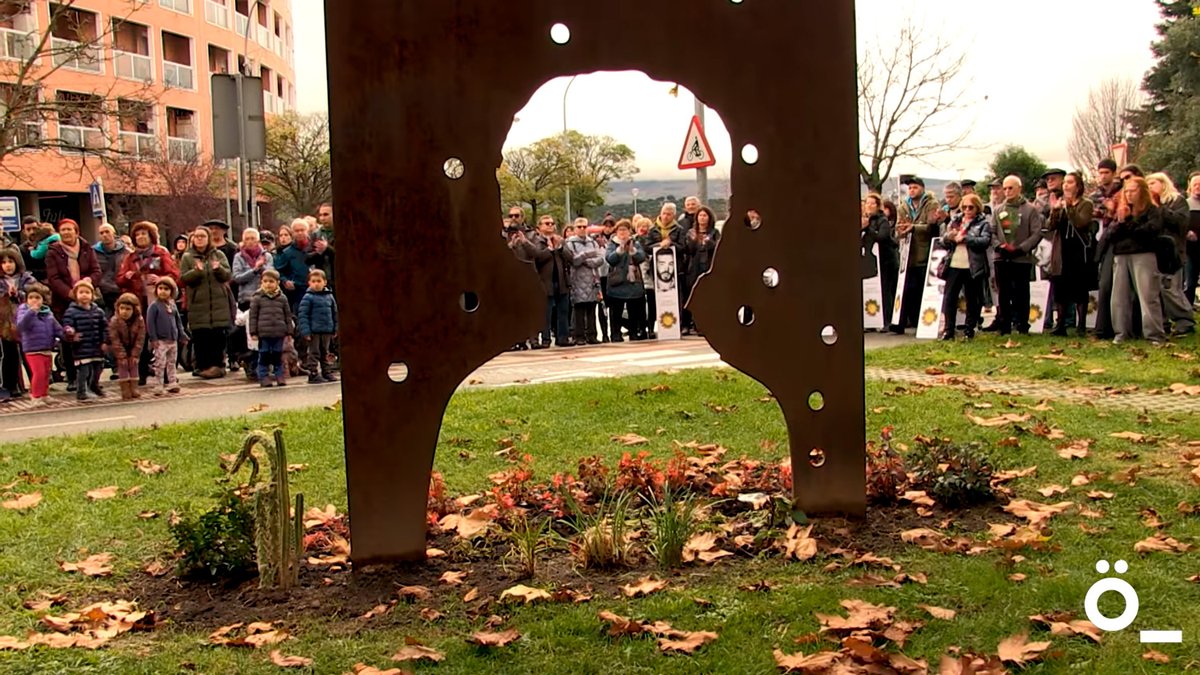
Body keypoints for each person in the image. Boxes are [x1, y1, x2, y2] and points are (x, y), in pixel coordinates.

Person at [1109, 176, 1167, 345]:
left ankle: (1154, 334)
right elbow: (1112, 235)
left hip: (1144, 254)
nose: (1128, 194)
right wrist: (1122, 221)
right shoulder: (1121, 210)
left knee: (1148, 295)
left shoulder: (1152, 210)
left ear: (1142, 191)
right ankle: (1121, 332)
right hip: (1121, 255)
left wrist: (1129, 222)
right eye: (1126, 191)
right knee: (1119, 297)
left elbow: (1150, 231)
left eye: (1132, 191)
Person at [45, 219, 100, 390]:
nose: (66, 232)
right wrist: (71, 294)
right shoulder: (53, 252)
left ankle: (91, 378)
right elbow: (53, 279)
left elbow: (96, 270)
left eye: (70, 229)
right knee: (68, 340)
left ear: (76, 231)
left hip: (87, 297)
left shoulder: (86, 249)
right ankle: (72, 377)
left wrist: (88, 283)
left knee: (90, 338)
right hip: (64, 302)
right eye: (63, 230)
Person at [986, 176, 1044, 335]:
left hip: (1021, 258)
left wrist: (1021, 248)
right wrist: (999, 246)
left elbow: (1037, 233)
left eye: (1010, 188)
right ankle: (1004, 325)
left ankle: (1023, 325)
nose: (1007, 191)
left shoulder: (1030, 209)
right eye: (1004, 188)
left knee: (1022, 293)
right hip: (1002, 258)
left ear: (1019, 189)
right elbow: (991, 232)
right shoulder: (998, 210)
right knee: (1003, 293)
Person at [891, 177, 944, 334]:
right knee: (908, 289)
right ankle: (904, 322)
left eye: (915, 187)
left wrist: (913, 228)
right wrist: (900, 231)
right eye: (910, 188)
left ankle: (924, 322)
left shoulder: (931, 204)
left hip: (925, 251)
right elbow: (898, 228)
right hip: (908, 254)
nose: (912, 190)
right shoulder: (903, 206)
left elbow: (930, 227)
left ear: (922, 188)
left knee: (922, 289)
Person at [1045, 172, 1096, 336]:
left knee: (1080, 288)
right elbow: (1050, 226)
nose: (1066, 185)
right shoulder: (1060, 203)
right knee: (1061, 287)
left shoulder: (1086, 204)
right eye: (1065, 182)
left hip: (1079, 250)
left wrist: (1069, 208)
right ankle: (1060, 325)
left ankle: (1081, 325)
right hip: (1062, 249)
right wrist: (1055, 210)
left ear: (1078, 186)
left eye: (1070, 182)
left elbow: (1081, 223)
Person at [179, 226, 233, 378]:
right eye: (197, 236)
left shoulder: (218, 254)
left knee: (217, 336)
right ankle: (202, 366)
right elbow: (183, 279)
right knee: (201, 337)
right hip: (198, 304)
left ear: (208, 238)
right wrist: (196, 272)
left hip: (218, 304)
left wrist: (218, 269)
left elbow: (227, 275)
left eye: (203, 236)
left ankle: (218, 365)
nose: (200, 239)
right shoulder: (188, 257)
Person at [938, 194, 992, 340]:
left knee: (972, 299)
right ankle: (949, 330)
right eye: (964, 207)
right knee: (950, 298)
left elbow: (985, 241)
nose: (967, 210)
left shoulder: (983, 223)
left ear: (977, 208)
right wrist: (950, 238)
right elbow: (942, 240)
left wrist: (966, 239)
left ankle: (970, 329)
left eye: (971, 207)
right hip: (954, 264)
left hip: (973, 266)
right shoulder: (955, 221)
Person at [513, 215, 572, 348]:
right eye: (547, 223)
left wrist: (560, 248)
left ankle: (563, 338)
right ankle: (545, 339)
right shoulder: (536, 241)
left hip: (562, 281)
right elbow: (538, 257)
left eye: (552, 223)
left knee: (563, 311)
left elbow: (570, 258)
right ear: (539, 227)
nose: (550, 226)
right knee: (546, 312)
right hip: (545, 282)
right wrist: (550, 249)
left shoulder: (560, 240)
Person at [1146, 172, 1193, 335]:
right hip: (1153, 251)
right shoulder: (1147, 204)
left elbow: (1181, 223)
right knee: (1155, 290)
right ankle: (1162, 322)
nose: (1150, 187)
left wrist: (1160, 208)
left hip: (1172, 251)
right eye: (1148, 184)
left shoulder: (1177, 201)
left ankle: (1184, 320)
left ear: (1163, 183)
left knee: (1170, 288)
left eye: (1153, 183)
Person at [62, 279, 108, 401]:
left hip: (96, 346)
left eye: (87, 292)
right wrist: (71, 334)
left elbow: (104, 327)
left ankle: (94, 385)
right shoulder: (71, 312)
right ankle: (81, 391)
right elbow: (67, 326)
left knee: (98, 368)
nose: (84, 295)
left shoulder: (98, 311)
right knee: (84, 371)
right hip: (81, 347)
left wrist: (105, 341)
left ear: (92, 295)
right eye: (81, 292)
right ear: (76, 295)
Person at [250, 269, 294, 387]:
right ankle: (263, 376)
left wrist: (289, 331)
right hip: (264, 333)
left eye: (271, 281)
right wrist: (253, 332)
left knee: (277, 354)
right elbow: (253, 316)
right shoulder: (257, 298)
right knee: (264, 355)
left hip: (279, 332)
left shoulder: (282, 298)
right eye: (265, 281)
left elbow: (287, 315)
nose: (268, 284)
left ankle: (280, 376)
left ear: (277, 283)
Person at [0, 249, 34, 399]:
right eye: (4, 262)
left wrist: (19, 294)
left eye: (11, 262)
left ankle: (36, 382)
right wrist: (6, 294)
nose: (8, 265)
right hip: (5, 322)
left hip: (25, 320)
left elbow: (36, 292)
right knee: (10, 354)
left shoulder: (26, 278)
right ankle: (11, 385)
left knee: (29, 352)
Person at [605, 219, 647, 341]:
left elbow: (641, 257)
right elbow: (609, 259)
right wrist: (620, 250)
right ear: (616, 231)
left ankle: (634, 332)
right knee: (616, 311)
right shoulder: (612, 243)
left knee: (633, 310)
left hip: (633, 281)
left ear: (630, 231)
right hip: (617, 282)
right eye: (620, 229)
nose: (623, 232)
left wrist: (632, 251)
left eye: (625, 229)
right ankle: (615, 334)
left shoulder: (635, 243)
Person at [565, 218, 603, 346]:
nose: (582, 229)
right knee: (579, 309)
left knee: (592, 308)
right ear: (575, 228)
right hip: (577, 279)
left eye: (584, 226)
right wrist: (587, 255)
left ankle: (592, 335)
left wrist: (587, 261)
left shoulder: (592, 242)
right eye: (579, 227)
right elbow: (573, 260)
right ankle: (579, 336)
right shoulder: (570, 243)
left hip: (592, 278)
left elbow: (600, 258)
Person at [145, 277, 186, 396]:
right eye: (160, 288)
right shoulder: (154, 306)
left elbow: (178, 321)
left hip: (172, 339)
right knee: (160, 363)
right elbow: (150, 323)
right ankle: (159, 384)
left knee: (172, 362)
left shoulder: (172, 305)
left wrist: (182, 334)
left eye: (166, 289)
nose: (163, 291)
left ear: (171, 291)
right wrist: (153, 338)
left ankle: (172, 382)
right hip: (160, 340)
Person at [684, 206, 720, 334]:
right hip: (694, 268)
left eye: (705, 215)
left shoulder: (714, 232)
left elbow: (718, 249)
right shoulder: (691, 233)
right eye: (700, 215)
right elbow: (689, 250)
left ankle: (707, 324)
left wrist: (708, 242)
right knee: (694, 295)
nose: (702, 218)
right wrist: (695, 240)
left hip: (708, 266)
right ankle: (692, 324)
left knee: (709, 297)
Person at [298, 269, 338, 383]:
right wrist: (305, 331)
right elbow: (303, 315)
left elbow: (334, 313)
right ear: (309, 283)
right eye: (313, 281)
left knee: (325, 352)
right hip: (313, 331)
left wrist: (335, 328)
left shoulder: (329, 297)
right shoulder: (308, 297)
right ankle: (313, 373)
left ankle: (327, 372)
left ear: (324, 282)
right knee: (314, 352)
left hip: (326, 330)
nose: (316, 284)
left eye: (319, 281)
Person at [867, 195, 899, 325]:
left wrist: (868, 229)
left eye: (872, 204)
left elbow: (882, 236)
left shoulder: (882, 220)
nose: (868, 206)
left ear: (877, 205)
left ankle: (887, 320)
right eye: (867, 203)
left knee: (886, 290)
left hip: (886, 260)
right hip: (871, 261)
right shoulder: (865, 219)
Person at [108, 293, 145, 400]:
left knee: (134, 366)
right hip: (121, 348)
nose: (124, 311)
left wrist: (135, 354)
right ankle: (124, 388)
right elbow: (115, 339)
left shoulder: (139, 320)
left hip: (133, 346)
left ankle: (134, 388)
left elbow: (140, 338)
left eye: (128, 309)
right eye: (122, 308)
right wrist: (121, 355)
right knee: (123, 367)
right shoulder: (115, 321)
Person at [272, 223, 310, 311]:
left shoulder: (314, 247)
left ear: (307, 231)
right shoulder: (287, 253)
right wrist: (285, 281)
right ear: (293, 233)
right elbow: (278, 271)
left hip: (316, 288)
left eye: (302, 230)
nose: (300, 233)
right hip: (297, 291)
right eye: (297, 231)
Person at [93, 224, 128, 313]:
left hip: (122, 292)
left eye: (107, 232)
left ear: (114, 234)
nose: (104, 235)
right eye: (101, 233)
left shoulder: (126, 252)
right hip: (103, 295)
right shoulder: (92, 253)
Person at [308, 202, 336, 291]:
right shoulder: (316, 234)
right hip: (321, 282)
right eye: (320, 215)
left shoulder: (343, 232)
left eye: (326, 215)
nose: (322, 218)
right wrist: (318, 253)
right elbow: (307, 259)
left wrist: (327, 249)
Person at [1186, 172, 1200, 305]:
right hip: (1190, 251)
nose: (1198, 187)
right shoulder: (1185, 205)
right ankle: (1187, 314)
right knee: (1190, 283)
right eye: (1195, 184)